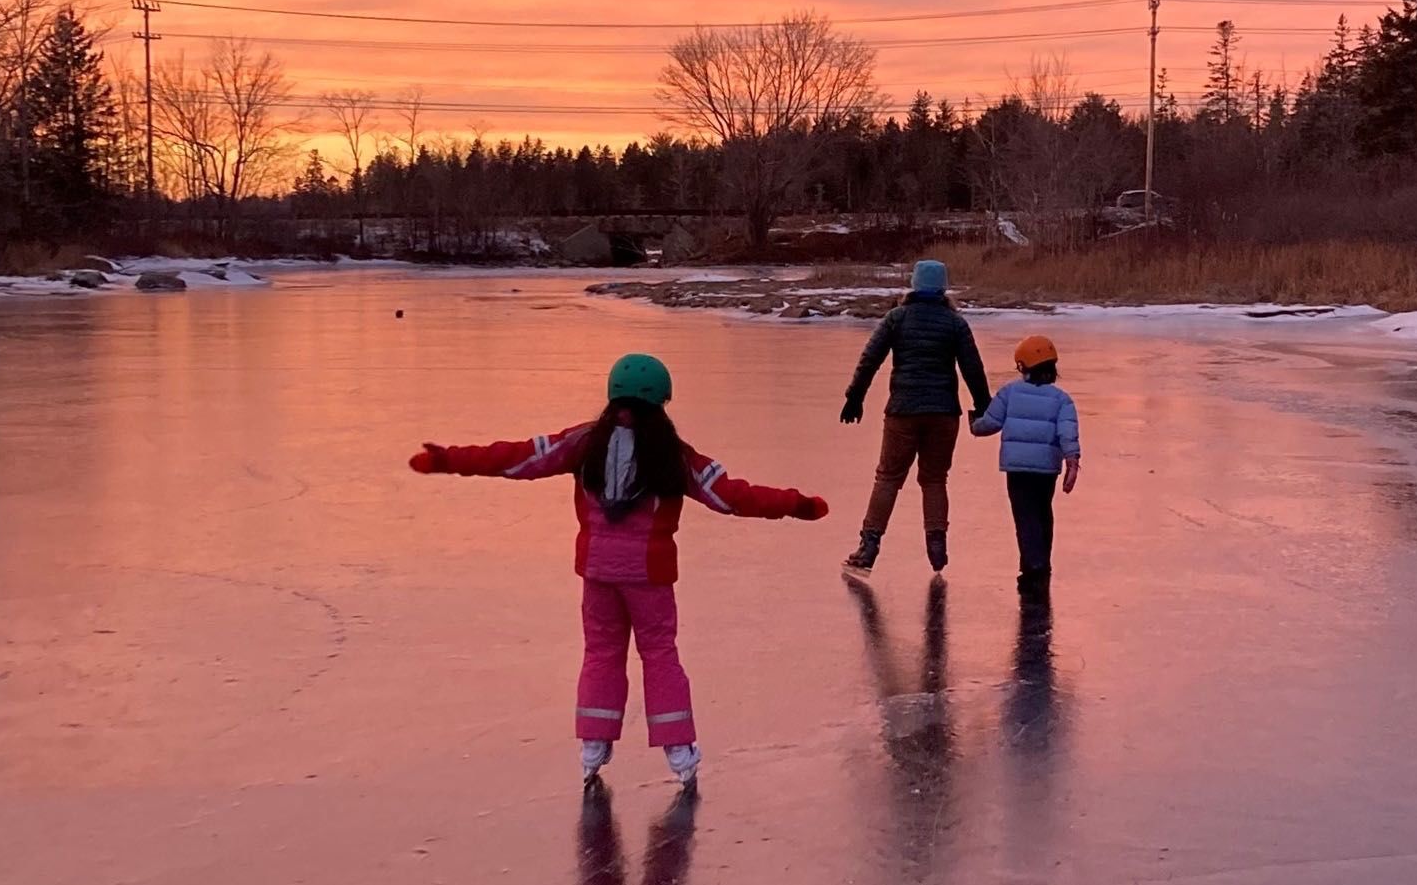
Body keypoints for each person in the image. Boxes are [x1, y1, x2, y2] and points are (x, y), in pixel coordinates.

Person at [406, 352, 829, 788]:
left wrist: (448, 459)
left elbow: (516, 458)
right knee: (660, 654)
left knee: (601, 653)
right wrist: (795, 504)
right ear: (662, 401)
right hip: (650, 577)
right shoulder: (675, 455)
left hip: (598, 574)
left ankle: (593, 745)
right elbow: (732, 496)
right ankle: (679, 751)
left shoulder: (584, 442)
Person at [839, 259, 992, 576]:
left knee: (888, 478)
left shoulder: (897, 318)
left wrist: (855, 398)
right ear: (943, 288)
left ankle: (868, 548)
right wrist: (983, 406)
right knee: (935, 480)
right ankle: (937, 548)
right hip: (942, 413)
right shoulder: (955, 323)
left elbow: (870, 359)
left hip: (903, 412)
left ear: (914, 284)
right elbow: (972, 369)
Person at [970, 334, 1079, 596]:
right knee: (1043, 513)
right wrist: (1072, 461)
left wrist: (974, 424)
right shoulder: (1062, 400)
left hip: (1018, 469)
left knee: (1025, 515)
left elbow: (990, 423)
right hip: (1047, 469)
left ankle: (1033, 566)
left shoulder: (1009, 392)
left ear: (1023, 366)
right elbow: (1067, 433)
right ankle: (1043, 561)